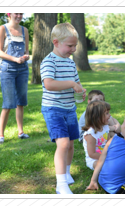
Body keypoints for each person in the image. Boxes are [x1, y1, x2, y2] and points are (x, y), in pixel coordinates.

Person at [40, 22, 86, 194]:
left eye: (75, 45)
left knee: (71, 144)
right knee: (63, 144)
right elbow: (49, 84)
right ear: (56, 42)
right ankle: (61, 185)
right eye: (70, 45)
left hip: (70, 108)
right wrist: (72, 84)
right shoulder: (48, 62)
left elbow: (77, 82)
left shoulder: (70, 63)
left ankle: (66, 174)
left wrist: (80, 90)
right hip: (53, 109)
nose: (73, 49)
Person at [0, 13, 30, 144]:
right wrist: (15, 59)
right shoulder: (2, 29)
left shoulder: (24, 30)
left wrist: (26, 56)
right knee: (8, 103)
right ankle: (1, 135)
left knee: (21, 102)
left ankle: (21, 132)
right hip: (7, 69)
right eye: (17, 13)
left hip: (22, 69)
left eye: (21, 13)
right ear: (9, 14)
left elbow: (26, 50)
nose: (19, 16)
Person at [82, 100, 111, 170]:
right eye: (107, 113)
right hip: (94, 159)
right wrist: (106, 158)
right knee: (102, 165)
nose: (109, 115)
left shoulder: (105, 127)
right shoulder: (91, 134)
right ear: (97, 117)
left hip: (106, 155)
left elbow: (109, 143)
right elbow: (92, 154)